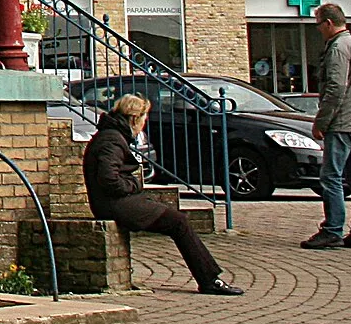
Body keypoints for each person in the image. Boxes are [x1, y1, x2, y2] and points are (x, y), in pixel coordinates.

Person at [83, 93, 243, 295]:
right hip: (114, 204)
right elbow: (109, 180)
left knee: (175, 219)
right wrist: (134, 184)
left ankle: (209, 278)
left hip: (117, 201)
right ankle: (209, 279)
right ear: (134, 119)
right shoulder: (111, 140)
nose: (144, 124)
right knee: (178, 222)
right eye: (143, 119)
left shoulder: (111, 135)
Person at [301, 2, 351, 250]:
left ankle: (332, 229)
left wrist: (321, 121)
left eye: (318, 24)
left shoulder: (338, 48)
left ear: (329, 23)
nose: (318, 30)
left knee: (331, 176)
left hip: (342, 123)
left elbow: (336, 87)